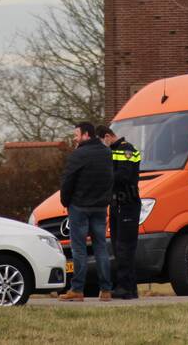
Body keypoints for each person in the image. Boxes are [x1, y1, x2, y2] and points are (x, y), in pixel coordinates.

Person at [58, 121, 113, 301]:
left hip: (79, 207)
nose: (75, 138)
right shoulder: (107, 153)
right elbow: (110, 179)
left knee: (79, 249)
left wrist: (65, 201)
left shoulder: (78, 155)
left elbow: (68, 180)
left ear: (86, 135)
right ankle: (105, 290)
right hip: (100, 207)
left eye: (76, 135)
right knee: (101, 248)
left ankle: (77, 290)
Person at [97, 124, 142, 300]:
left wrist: (104, 177)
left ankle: (125, 288)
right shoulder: (113, 151)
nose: (102, 146)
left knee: (125, 247)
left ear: (108, 136)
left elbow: (124, 176)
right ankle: (130, 288)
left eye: (102, 142)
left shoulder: (125, 149)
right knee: (118, 247)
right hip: (117, 204)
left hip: (127, 203)